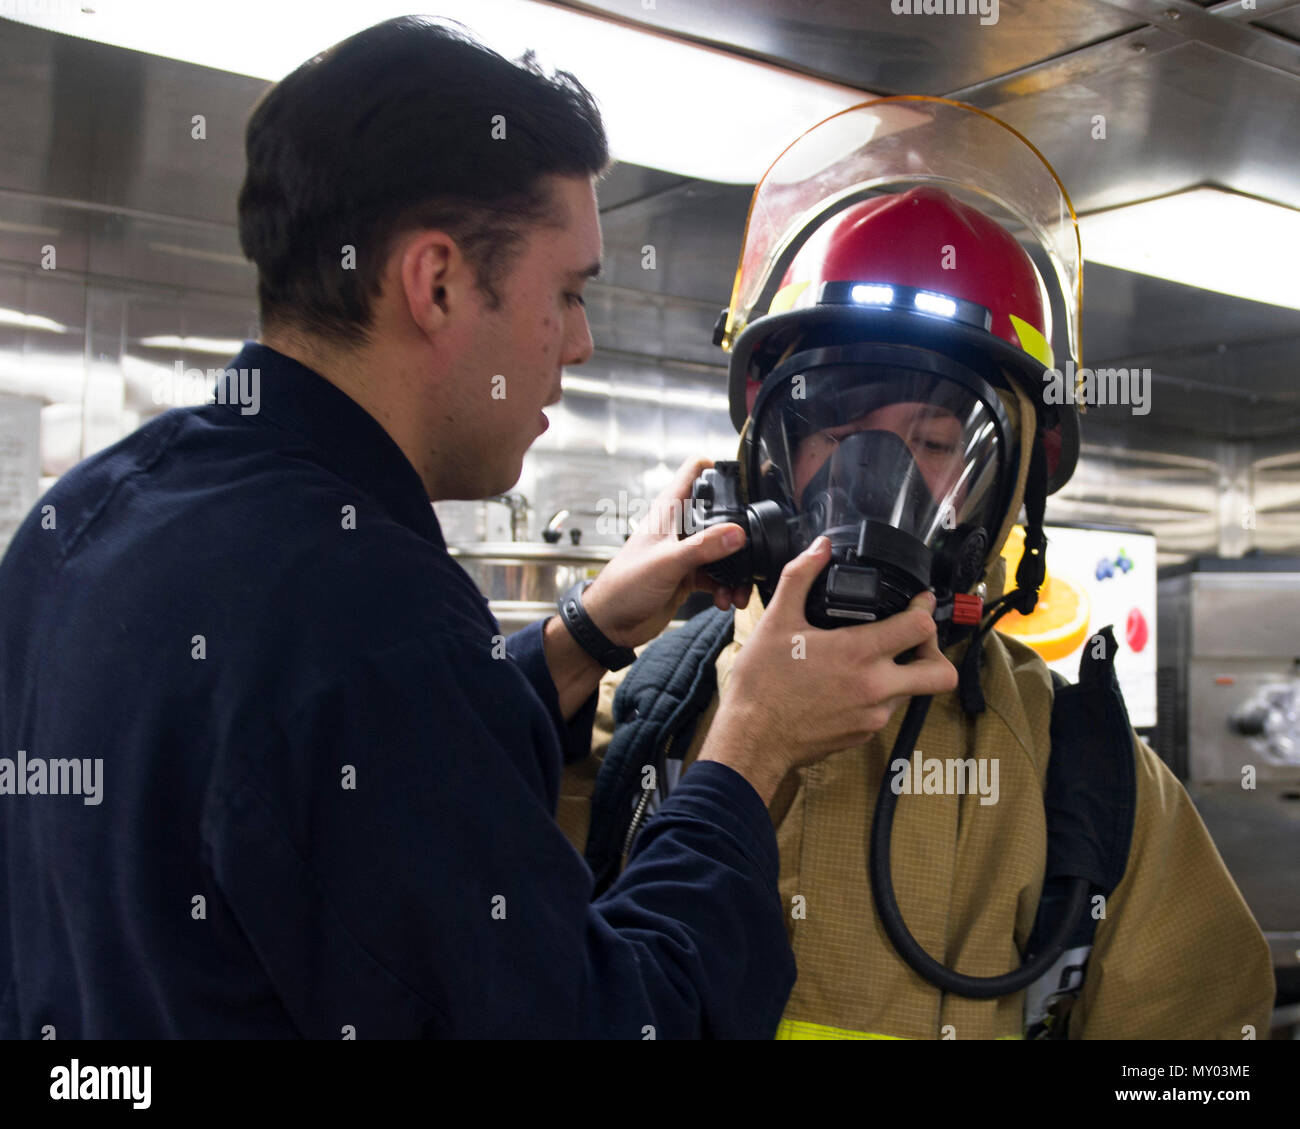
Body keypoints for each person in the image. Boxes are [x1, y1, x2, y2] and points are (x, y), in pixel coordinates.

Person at [0, 18, 961, 1040]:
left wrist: (580, 636)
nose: (581, 342)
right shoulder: (368, 616)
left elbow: (318, 784)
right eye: (569, 291)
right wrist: (752, 746)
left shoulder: (80, 518)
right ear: (438, 281)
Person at [558, 101, 1276, 1039]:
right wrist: (587, 636)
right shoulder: (634, 717)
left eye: (937, 440)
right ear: (765, 456)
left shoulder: (1090, 777)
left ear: (1009, 486)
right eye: (835, 431)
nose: (876, 482)